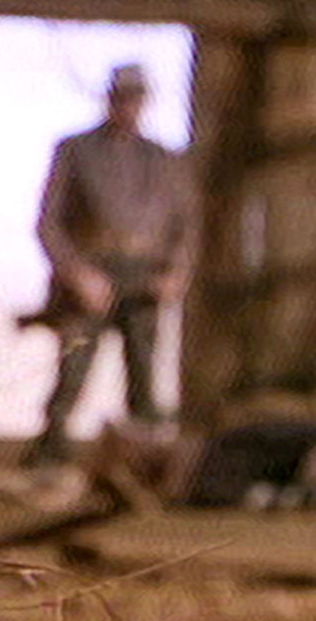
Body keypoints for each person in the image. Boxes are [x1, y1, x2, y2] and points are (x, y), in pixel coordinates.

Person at [21, 63, 198, 467]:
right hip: (92, 274)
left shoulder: (163, 159)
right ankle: (49, 460)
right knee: (73, 372)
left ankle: (142, 466)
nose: (128, 106)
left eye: (136, 98)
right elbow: (48, 223)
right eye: (122, 97)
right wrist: (77, 274)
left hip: (145, 278)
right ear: (109, 99)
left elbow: (185, 225)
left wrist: (176, 273)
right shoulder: (76, 151)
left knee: (144, 376)